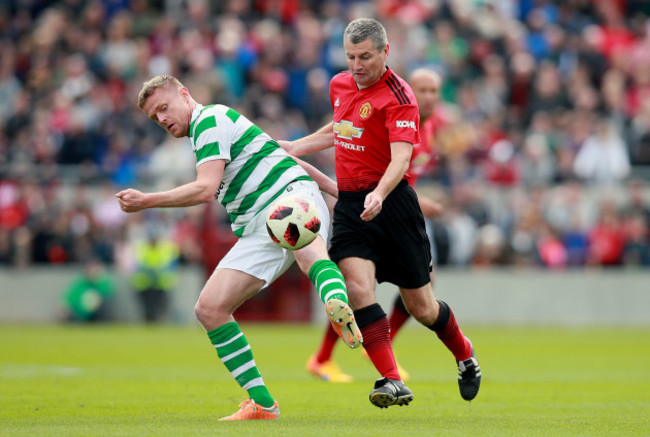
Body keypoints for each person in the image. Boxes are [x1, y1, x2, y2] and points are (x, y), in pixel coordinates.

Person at [116, 74, 362, 421]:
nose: (162, 119)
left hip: (288, 196)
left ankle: (334, 298)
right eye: (155, 117)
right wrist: (340, 194)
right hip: (260, 224)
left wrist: (148, 200)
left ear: (185, 94)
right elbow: (288, 157)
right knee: (210, 308)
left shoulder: (210, 120)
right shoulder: (210, 131)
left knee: (302, 244)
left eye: (164, 108)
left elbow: (204, 190)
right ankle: (262, 403)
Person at [281, 18, 481, 407]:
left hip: (394, 206)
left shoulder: (399, 96)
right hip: (353, 206)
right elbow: (339, 127)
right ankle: (391, 379)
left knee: (422, 308)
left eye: (366, 57)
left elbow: (401, 157)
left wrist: (380, 192)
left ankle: (465, 354)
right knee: (357, 288)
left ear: (385, 52)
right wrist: (296, 146)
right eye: (351, 56)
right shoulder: (339, 84)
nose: (357, 65)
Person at [306, 68, 446, 383]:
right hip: (375, 207)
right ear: (410, 91)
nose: (428, 97)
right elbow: (378, 168)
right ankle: (328, 356)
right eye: (422, 90)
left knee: (415, 289)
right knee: (361, 289)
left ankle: (342, 353)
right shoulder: (391, 114)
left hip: (400, 211)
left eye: (434, 91)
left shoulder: (432, 127)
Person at [130, 226, 180, 323]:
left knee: (158, 307)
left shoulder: (166, 248)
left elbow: (172, 264)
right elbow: (137, 265)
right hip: (144, 284)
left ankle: (155, 321)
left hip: (160, 284)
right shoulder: (142, 248)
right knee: (148, 308)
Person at [61, 258, 115, 323]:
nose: (93, 271)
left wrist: (98, 280)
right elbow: (70, 300)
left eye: (95, 269)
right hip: (79, 315)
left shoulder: (101, 283)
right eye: (91, 269)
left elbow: (108, 291)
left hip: (95, 315)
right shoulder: (80, 284)